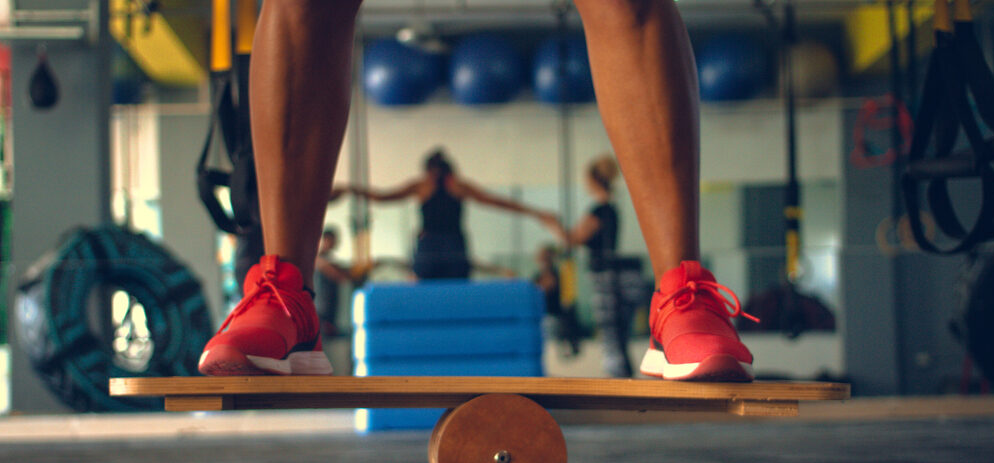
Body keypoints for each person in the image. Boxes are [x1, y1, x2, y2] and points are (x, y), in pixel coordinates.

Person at [198, 0, 756, 382]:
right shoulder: (435, 184)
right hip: (434, 249)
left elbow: (476, 201)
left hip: (443, 250)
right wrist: (359, 195)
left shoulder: (435, 183)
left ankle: (681, 294)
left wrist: (536, 214)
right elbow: (406, 198)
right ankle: (286, 294)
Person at [335, 148, 555, 280]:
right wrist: (535, 213)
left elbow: (382, 197)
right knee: (450, 289)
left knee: (433, 289)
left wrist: (349, 189)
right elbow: (496, 202)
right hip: (448, 245)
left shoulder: (425, 185)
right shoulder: (454, 185)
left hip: (435, 245)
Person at [544, 155, 645, 377]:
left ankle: (618, 374)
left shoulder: (600, 210)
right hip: (610, 274)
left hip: (605, 276)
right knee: (617, 331)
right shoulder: (611, 209)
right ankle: (621, 374)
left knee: (611, 329)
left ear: (594, 181)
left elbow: (572, 239)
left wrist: (552, 224)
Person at [314, 227, 352, 339]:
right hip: (321, 307)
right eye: (333, 240)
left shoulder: (329, 259)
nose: (336, 243)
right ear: (325, 240)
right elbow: (336, 275)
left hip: (330, 306)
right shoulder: (318, 259)